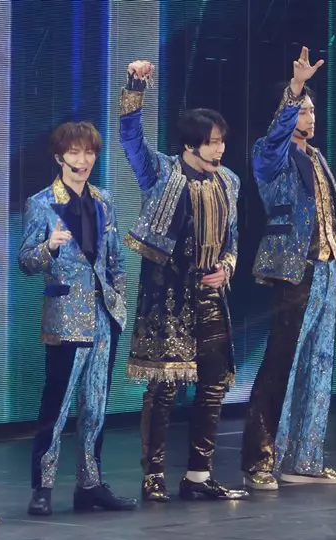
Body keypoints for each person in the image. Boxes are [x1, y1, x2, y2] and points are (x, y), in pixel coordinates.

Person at [118, 60, 247, 502]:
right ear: (191, 145)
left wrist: (227, 267)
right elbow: (130, 138)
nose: (220, 149)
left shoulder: (228, 181)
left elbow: (232, 238)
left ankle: (198, 475)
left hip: (211, 296)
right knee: (164, 388)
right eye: (212, 142)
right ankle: (153, 474)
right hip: (169, 295)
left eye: (222, 141)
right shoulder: (162, 172)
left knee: (213, 386)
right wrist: (136, 86)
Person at [240, 47, 336, 491]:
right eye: (303, 109)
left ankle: (305, 458)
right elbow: (275, 139)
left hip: (326, 268)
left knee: (320, 363)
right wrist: (295, 88)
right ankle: (260, 458)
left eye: (312, 109)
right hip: (294, 269)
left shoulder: (317, 158)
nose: (310, 116)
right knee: (281, 362)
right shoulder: (271, 155)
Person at [18, 120, 136, 516]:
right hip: (66, 315)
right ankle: (42, 487)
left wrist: (118, 303)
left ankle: (90, 484)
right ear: (59, 157)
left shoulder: (104, 200)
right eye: (74, 152)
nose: (82, 160)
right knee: (57, 404)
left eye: (88, 153)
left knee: (96, 404)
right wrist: (48, 247)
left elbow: (115, 258)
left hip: (103, 315)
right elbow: (25, 261)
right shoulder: (40, 203)